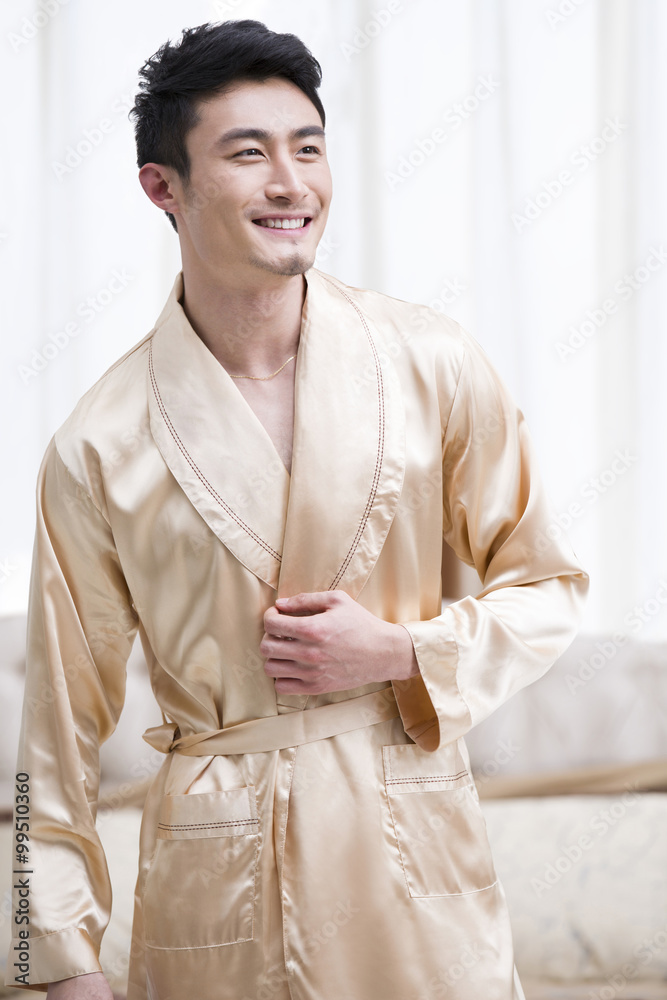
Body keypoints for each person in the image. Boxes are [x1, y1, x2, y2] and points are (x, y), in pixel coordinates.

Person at [7, 19, 588, 1000]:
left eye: (307, 148)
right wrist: (49, 964)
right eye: (248, 153)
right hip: (214, 890)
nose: (291, 183)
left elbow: (549, 587)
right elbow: (45, 752)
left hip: (410, 870)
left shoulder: (430, 363)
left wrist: (405, 651)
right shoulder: (99, 443)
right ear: (164, 187)